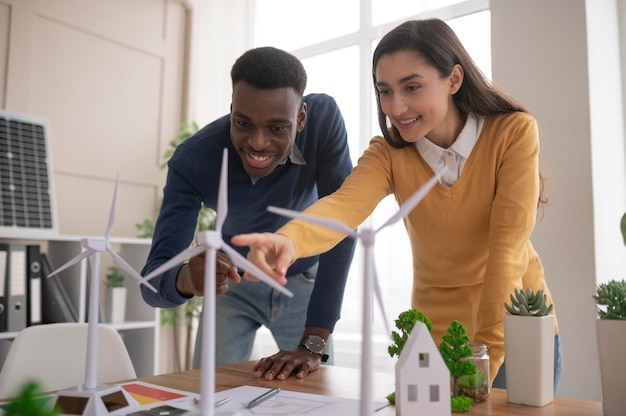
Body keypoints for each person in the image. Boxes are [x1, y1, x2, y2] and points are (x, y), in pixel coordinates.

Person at [233, 19, 563, 391]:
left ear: (453, 80)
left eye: (412, 87)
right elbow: (343, 206)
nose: (396, 106)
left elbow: (507, 248)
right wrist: (289, 241)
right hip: (435, 333)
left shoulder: (513, 132)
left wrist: (483, 352)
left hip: (516, 324)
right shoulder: (389, 152)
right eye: (385, 91)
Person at [141, 46, 356, 380]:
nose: (257, 142)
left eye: (277, 128)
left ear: (301, 118)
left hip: (303, 281)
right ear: (231, 110)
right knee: (210, 392)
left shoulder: (323, 120)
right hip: (232, 286)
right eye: (243, 123)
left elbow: (340, 226)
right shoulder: (193, 159)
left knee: (316, 391)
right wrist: (186, 278)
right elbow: (152, 281)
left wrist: (314, 343)